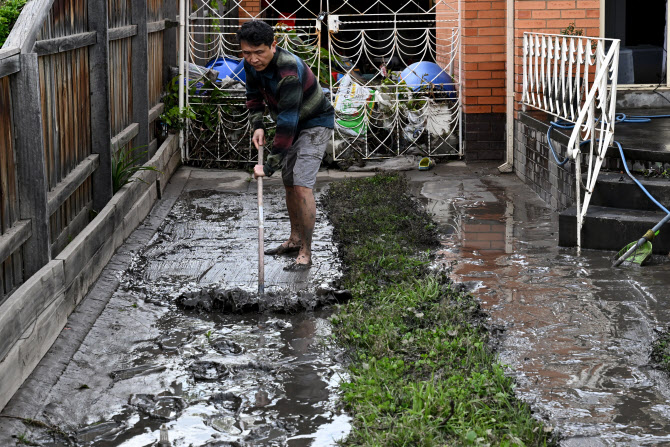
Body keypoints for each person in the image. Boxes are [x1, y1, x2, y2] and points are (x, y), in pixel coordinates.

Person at [237, 20, 334, 270]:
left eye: (259, 52)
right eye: (247, 53)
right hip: (291, 121)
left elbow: (287, 124)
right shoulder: (250, 65)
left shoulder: (288, 72)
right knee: (289, 181)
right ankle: (294, 240)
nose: (253, 59)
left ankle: (306, 252)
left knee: (301, 184)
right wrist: (257, 125)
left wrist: (268, 167)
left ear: (273, 45)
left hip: (314, 122)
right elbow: (253, 96)